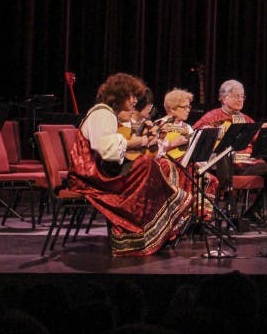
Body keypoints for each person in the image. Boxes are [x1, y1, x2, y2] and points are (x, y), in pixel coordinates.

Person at [66, 73, 202, 256]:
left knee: (150, 164)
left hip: (100, 172)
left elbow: (112, 149)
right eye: (132, 96)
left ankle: (162, 224)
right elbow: (108, 151)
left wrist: (141, 142)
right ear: (120, 96)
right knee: (147, 165)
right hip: (91, 177)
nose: (135, 101)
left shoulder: (108, 114)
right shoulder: (102, 114)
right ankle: (148, 227)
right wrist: (137, 143)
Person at [193, 80, 267, 224]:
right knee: (223, 156)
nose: (240, 100)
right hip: (224, 166)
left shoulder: (245, 119)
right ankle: (231, 210)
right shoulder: (212, 116)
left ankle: (251, 213)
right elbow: (195, 133)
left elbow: (259, 140)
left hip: (248, 164)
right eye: (236, 96)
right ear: (224, 98)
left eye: (242, 97)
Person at [154, 88, 197, 161]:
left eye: (189, 107)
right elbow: (152, 155)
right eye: (184, 107)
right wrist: (171, 144)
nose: (188, 110)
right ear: (172, 109)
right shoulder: (158, 125)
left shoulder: (188, 128)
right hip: (163, 167)